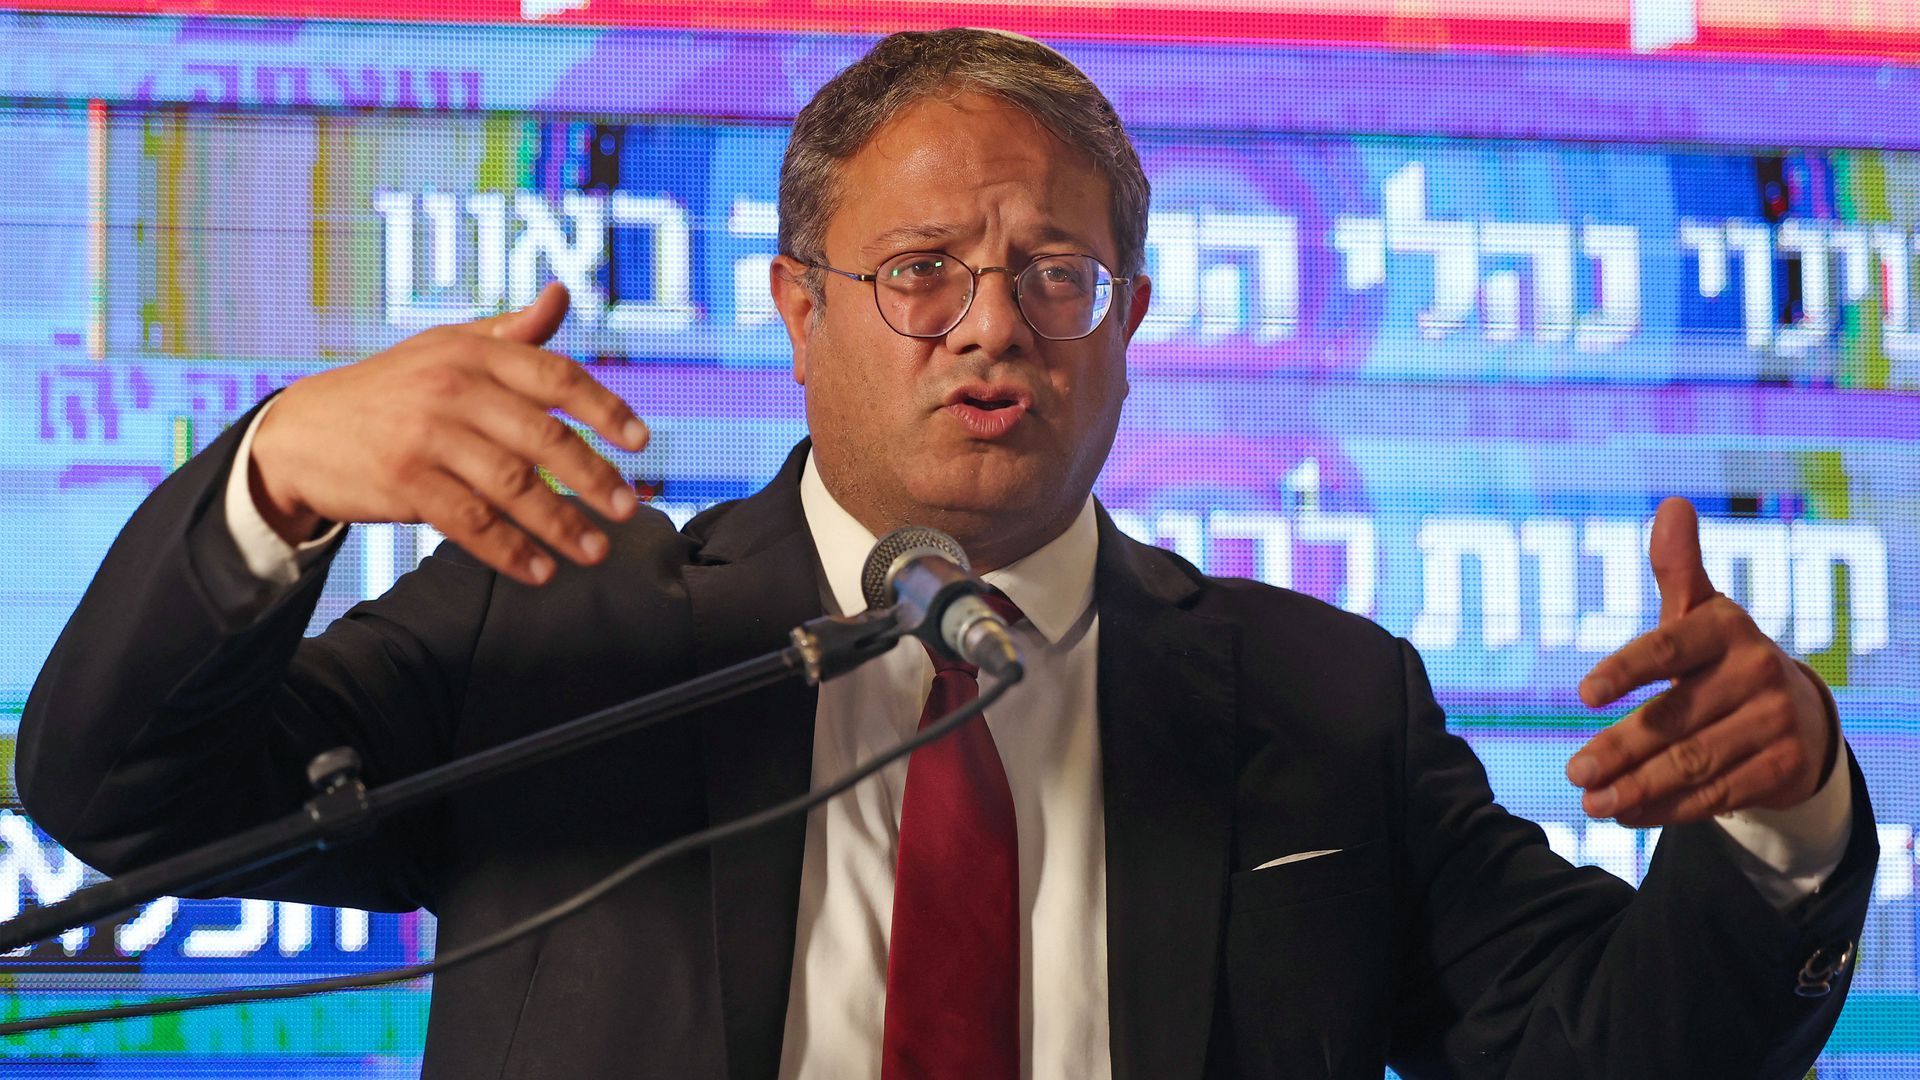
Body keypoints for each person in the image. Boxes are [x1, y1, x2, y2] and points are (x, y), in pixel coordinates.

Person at [17, 28, 1875, 1080]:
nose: (992, 328)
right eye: (920, 274)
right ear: (798, 312)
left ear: (1131, 318)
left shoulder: (1323, 704)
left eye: (1052, 275)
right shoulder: (561, 625)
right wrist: (278, 479)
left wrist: (1784, 821)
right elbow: (129, 798)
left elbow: (1627, 1058)